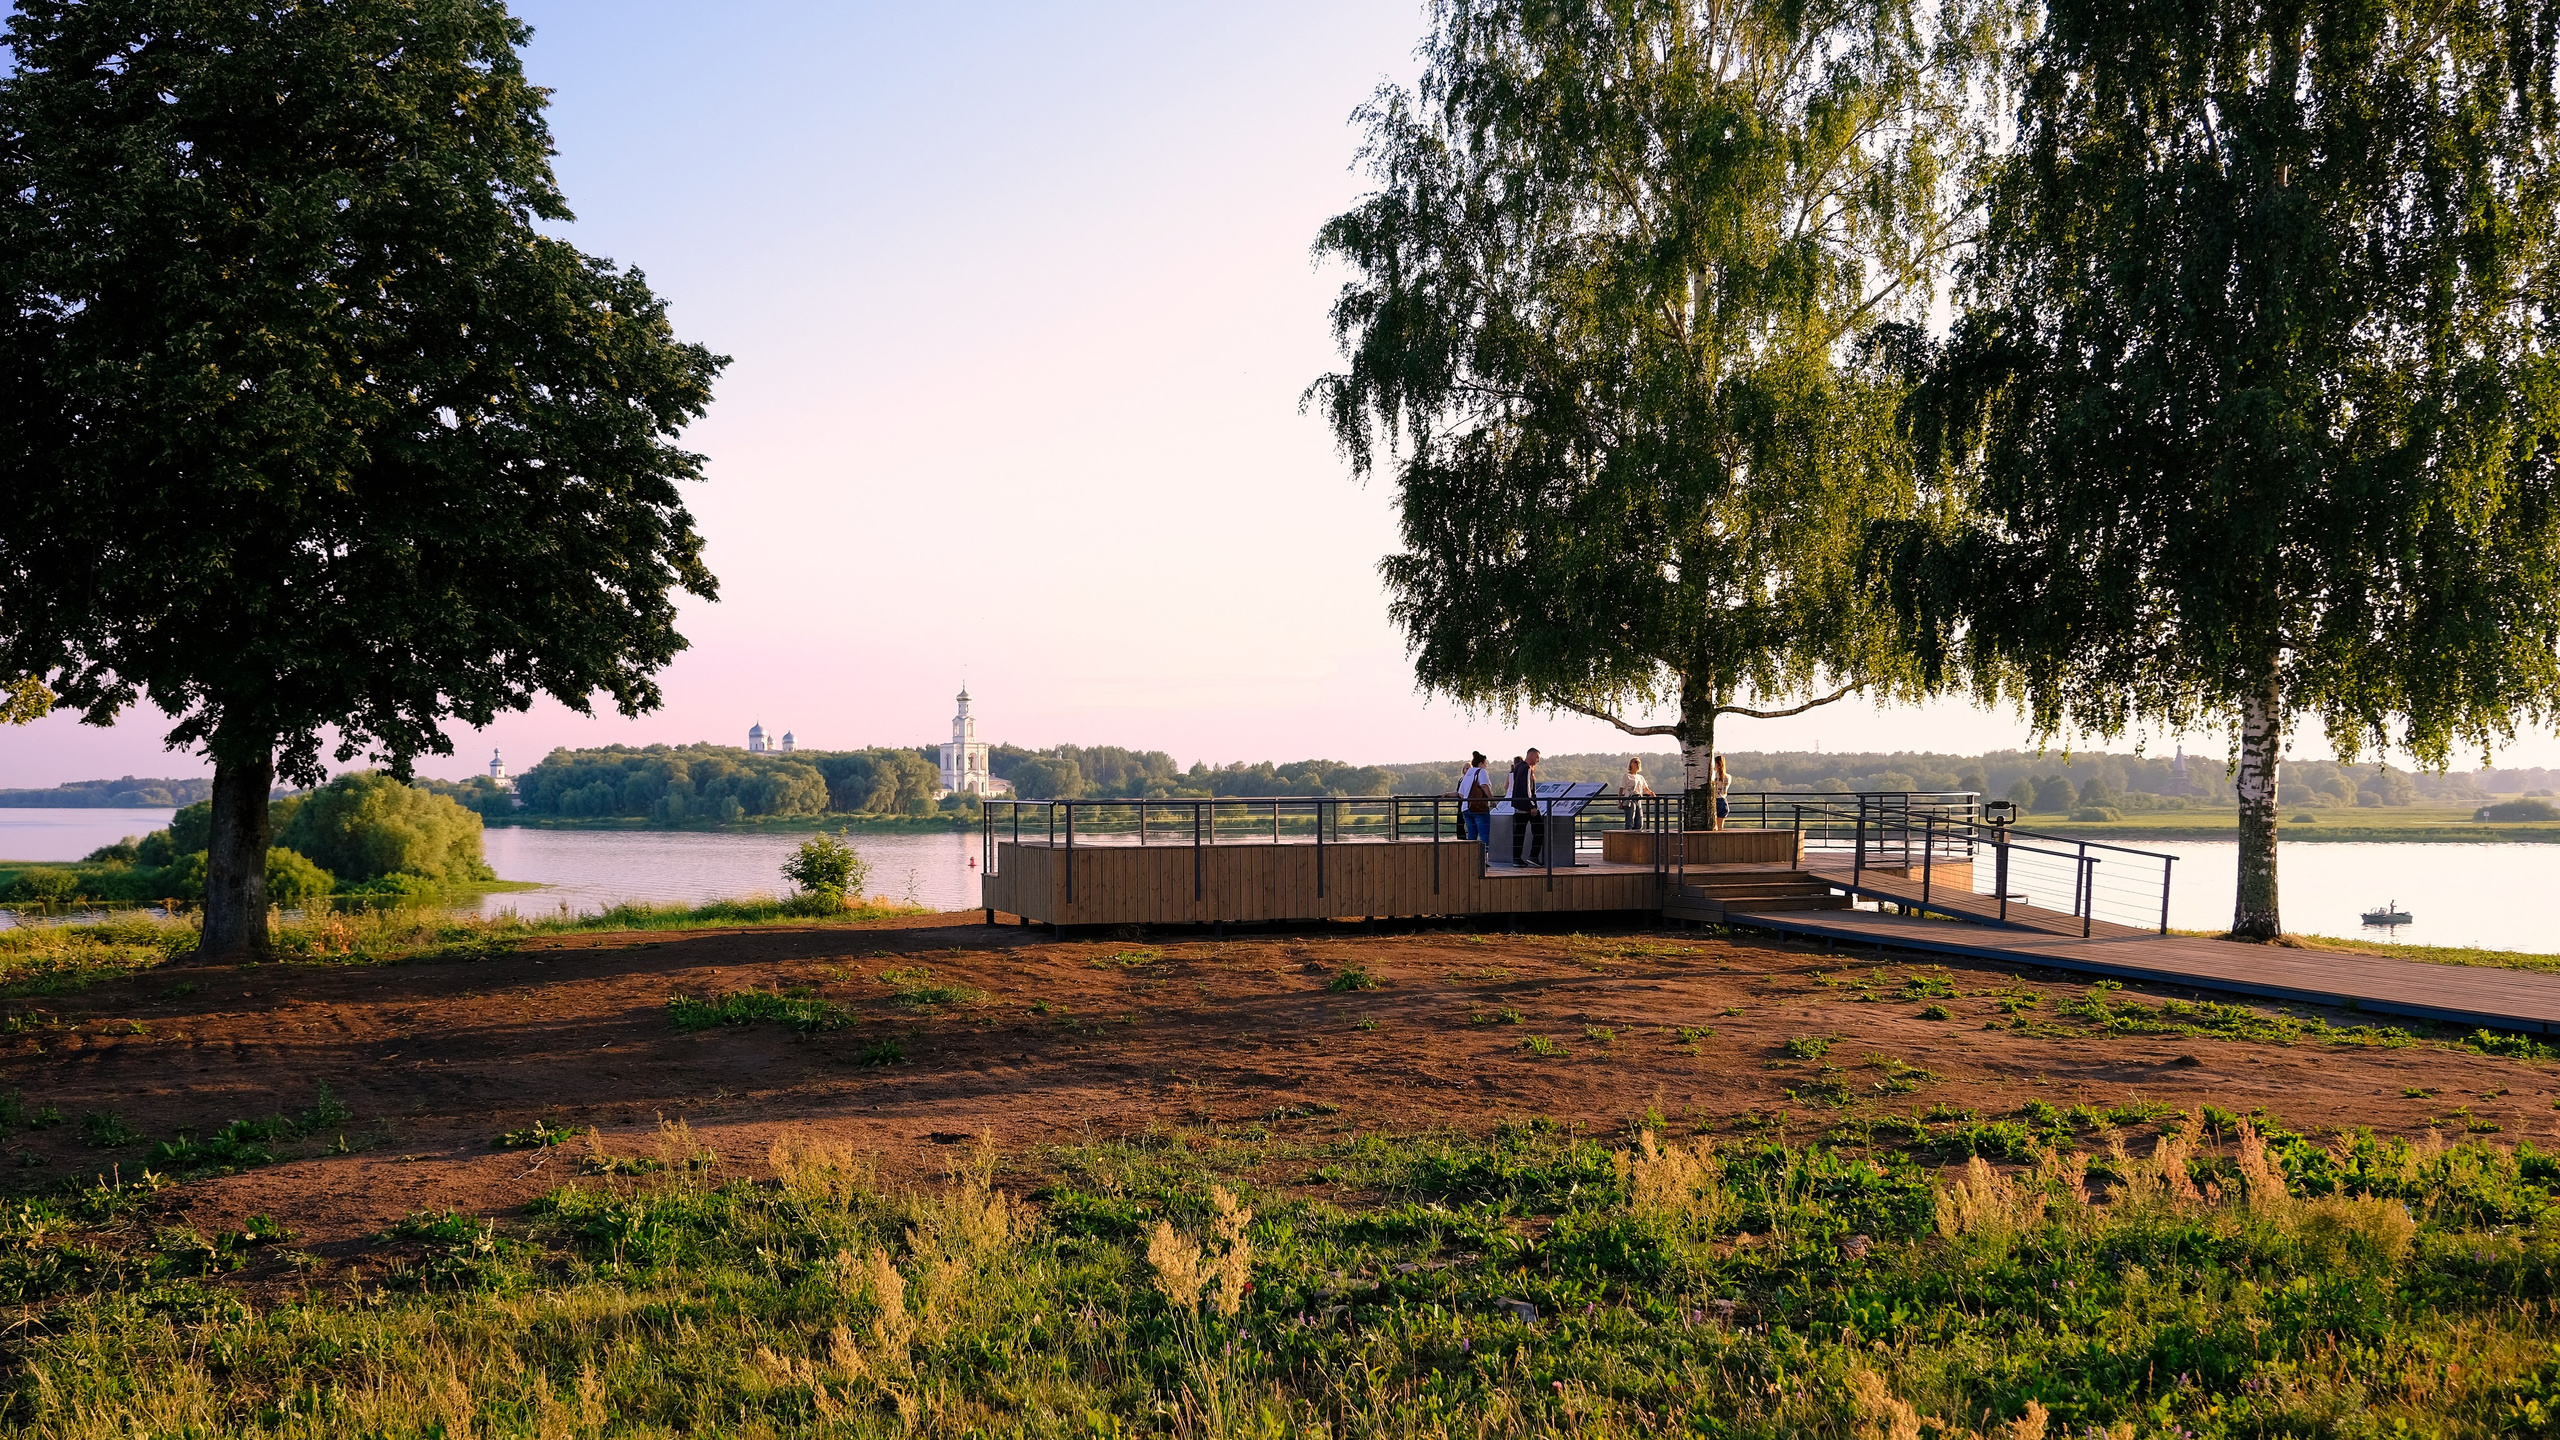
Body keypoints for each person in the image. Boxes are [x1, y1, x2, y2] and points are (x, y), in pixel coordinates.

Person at [1509, 748, 1544, 865]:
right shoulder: (1527, 768)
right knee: (1539, 830)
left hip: (1518, 805)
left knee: (1519, 832)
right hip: (1527, 806)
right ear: (1532, 755)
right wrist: (1532, 806)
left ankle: (1516, 858)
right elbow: (1527, 788)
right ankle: (1533, 855)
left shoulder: (1517, 767)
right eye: (1537, 757)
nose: (1538, 760)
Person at [1454, 751, 1493, 848]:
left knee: (1471, 835)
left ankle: (1471, 857)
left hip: (1466, 808)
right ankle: (1484, 857)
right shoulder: (1481, 771)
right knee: (1484, 834)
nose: (1486, 766)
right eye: (1485, 763)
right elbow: (1484, 786)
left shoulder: (1467, 774)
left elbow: (1461, 794)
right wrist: (1492, 799)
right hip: (1479, 808)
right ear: (1480, 764)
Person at [1616, 756, 1653, 829]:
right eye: (1635, 762)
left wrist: (1652, 794)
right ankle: (1628, 836)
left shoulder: (1640, 777)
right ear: (1631, 764)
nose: (1637, 763)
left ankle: (1636, 835)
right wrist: (1619, 801)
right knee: (1630, 820)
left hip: (1638, 798)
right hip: (1630, 799)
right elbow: (1621, 789)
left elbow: (1645, 788)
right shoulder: (1626, 776)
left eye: (1638, 762)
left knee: (1639, 821)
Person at [1711, 754, 1733, 829]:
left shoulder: (1713, 777)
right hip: (1723, 801)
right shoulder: (1728, 777)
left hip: (1714, 801)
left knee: (1713, 827)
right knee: (1720, 827)